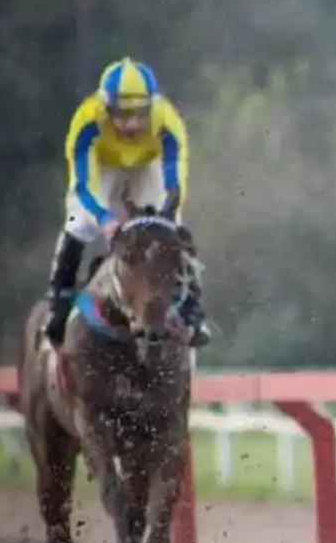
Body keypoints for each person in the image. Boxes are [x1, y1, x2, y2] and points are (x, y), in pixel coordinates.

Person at [43, 57, 211, 348]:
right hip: (102, 165)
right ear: (106, 108)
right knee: (80, 222)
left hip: (148, 162)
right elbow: (83, 187)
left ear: (152, 107)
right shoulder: (86, 123)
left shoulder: (168, 122)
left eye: (140, 114)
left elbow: (174, 184)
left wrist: (167, 215)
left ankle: (192, 309)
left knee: (169, 227)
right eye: (121, 114)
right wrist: (104, 218)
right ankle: (60, 298)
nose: (132, 123)